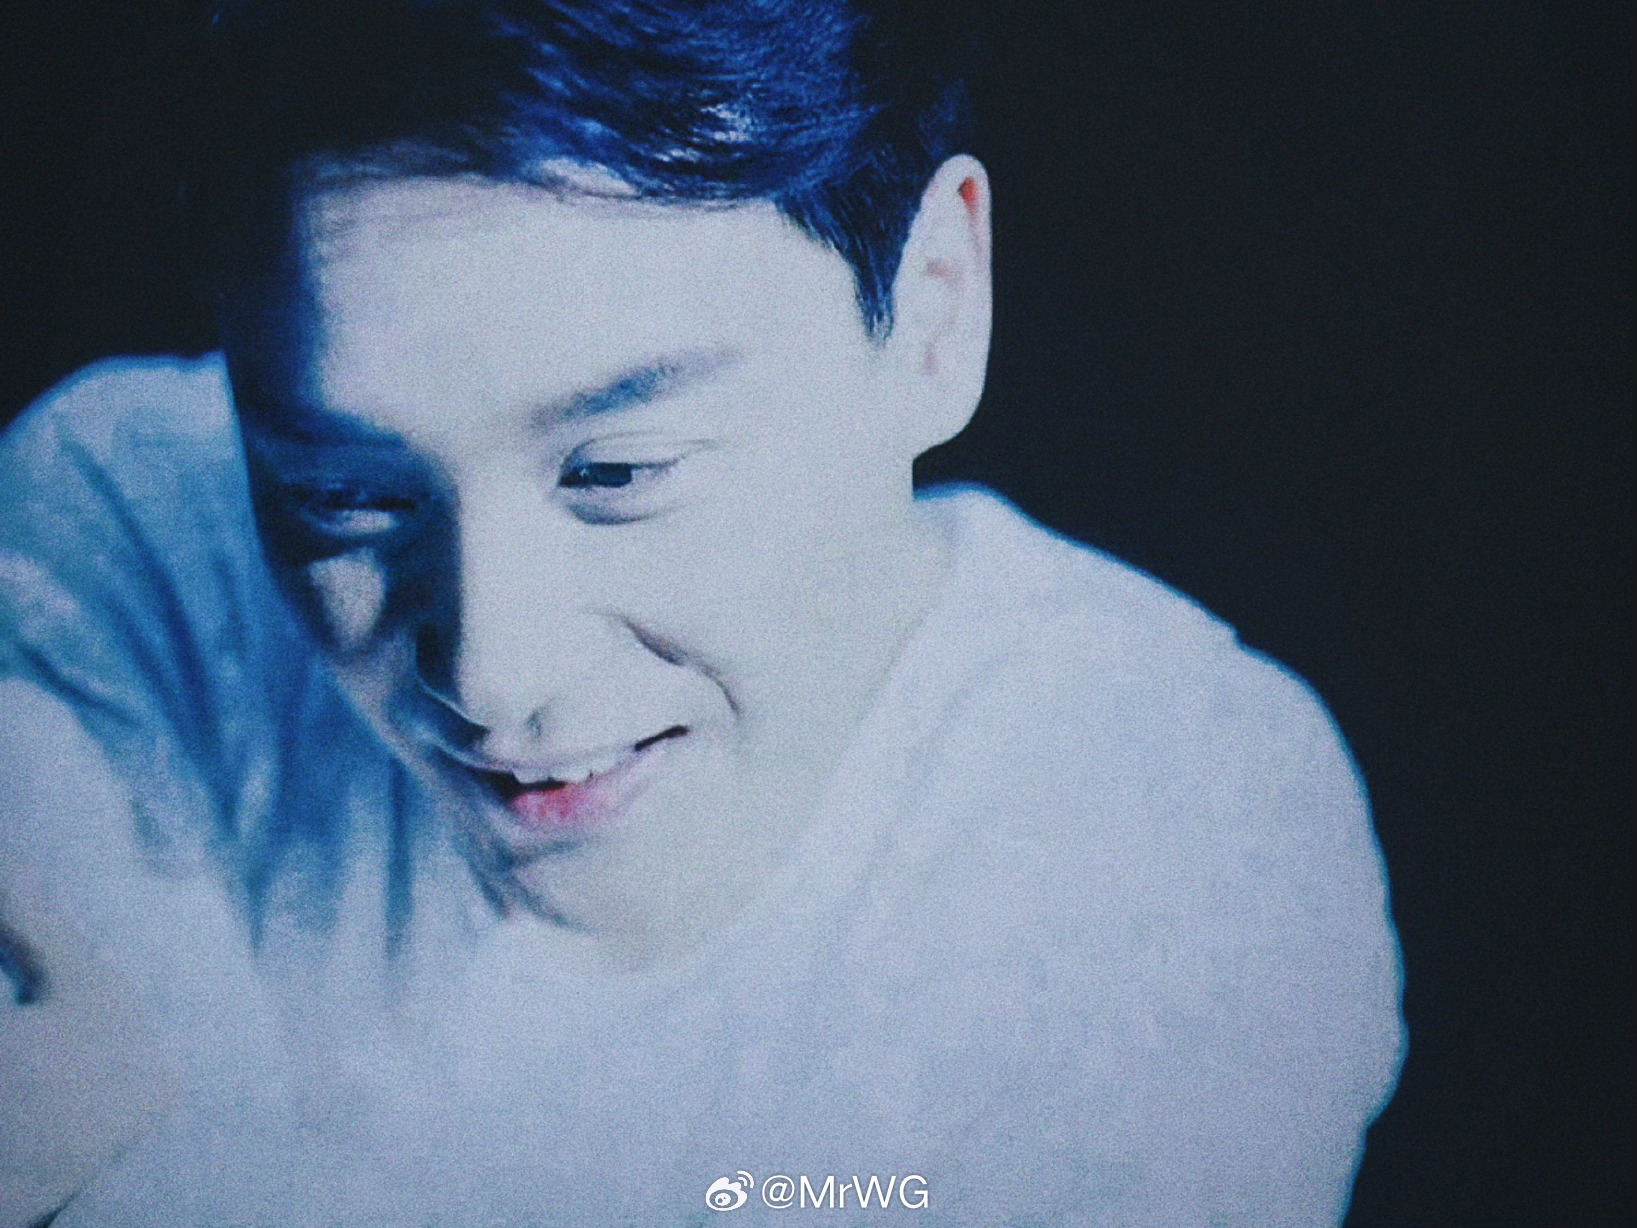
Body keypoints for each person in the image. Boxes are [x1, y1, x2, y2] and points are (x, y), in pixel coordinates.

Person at [0, 1, 1404, 1223]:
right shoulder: (120, 544)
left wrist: (134, 1168)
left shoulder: (1187, 843)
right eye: (341, 500)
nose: (490, 676)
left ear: (931, 309)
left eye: (619, 472)